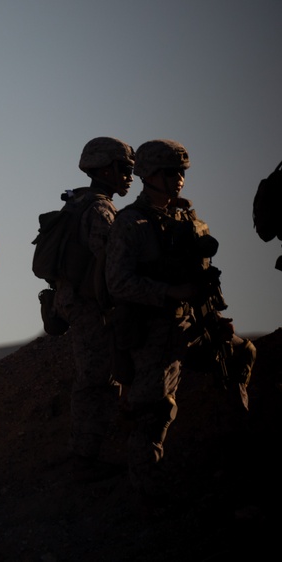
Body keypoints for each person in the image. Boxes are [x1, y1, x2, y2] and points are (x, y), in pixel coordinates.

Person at [106, 139, 241, 507]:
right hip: (152, 333)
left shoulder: (185, 218)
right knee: (154, 411)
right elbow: (118, 283)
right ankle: (149, 494)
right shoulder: (130, 224)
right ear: (149, 175)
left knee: (240, 358)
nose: (179, 179)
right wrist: (168, 292)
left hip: (191, 323)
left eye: (181, 172)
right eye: (170, 172)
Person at [53, 137, 135, 483]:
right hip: (92, 304)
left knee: (97, 377)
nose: (130, 176)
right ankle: (84, 458)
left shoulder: (77, 203)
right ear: (105, 169)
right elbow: (111, 264)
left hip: (78, 302)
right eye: (124, 169)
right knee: (97, 379)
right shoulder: (100, 210)